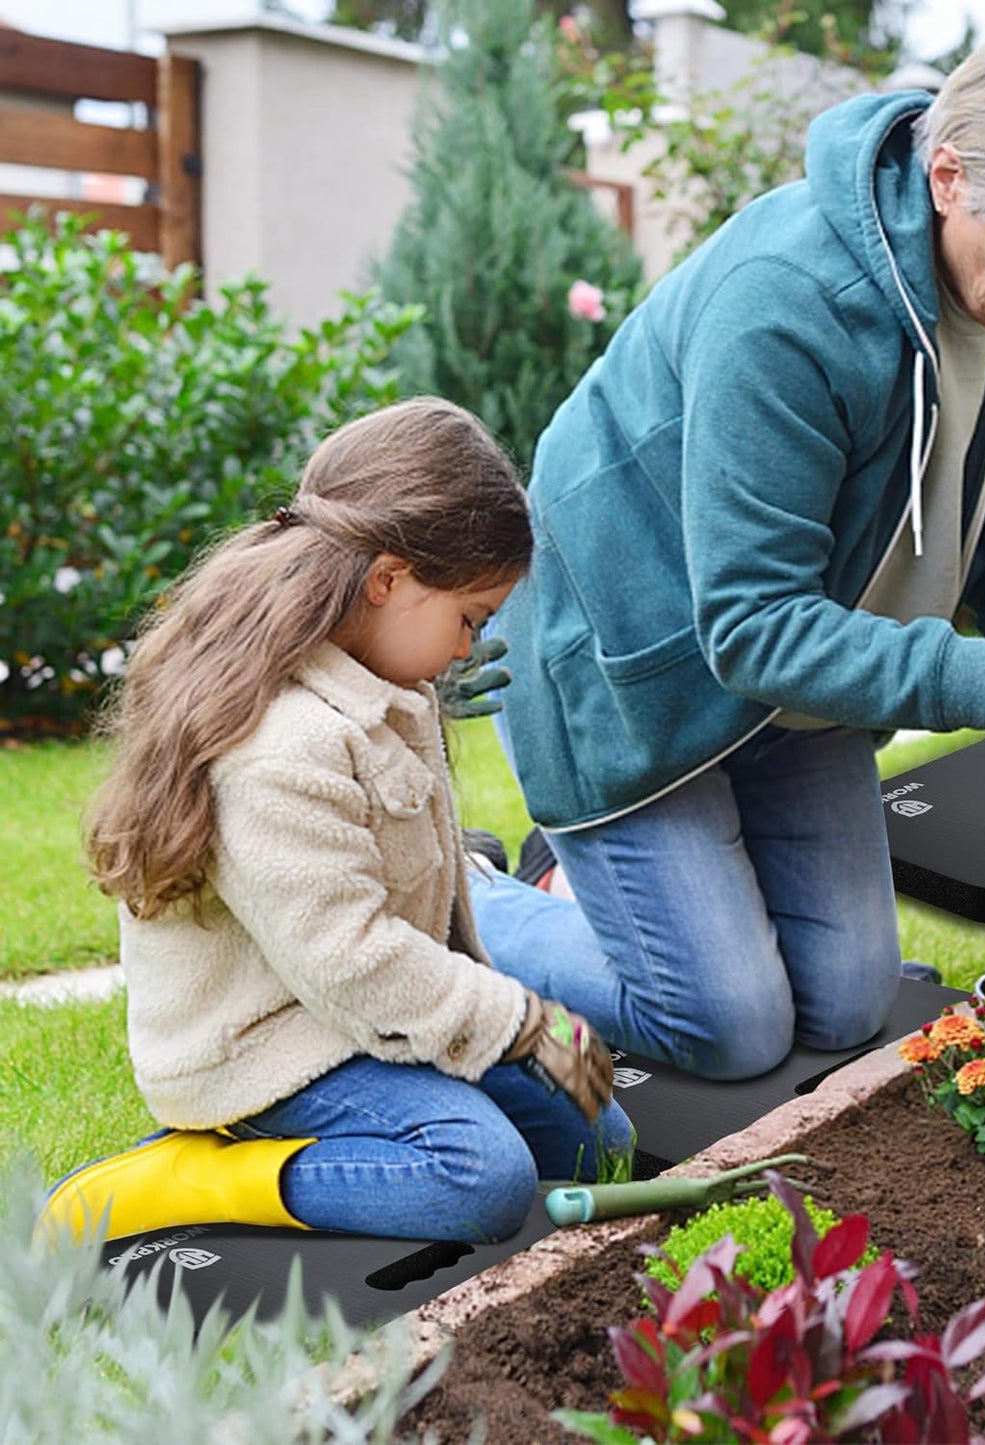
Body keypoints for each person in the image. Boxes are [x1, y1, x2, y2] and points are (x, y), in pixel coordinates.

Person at [465, 7, 985, 1087]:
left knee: (842, 1003)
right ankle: (478, 895)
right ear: (948, 177)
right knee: (726, 1021)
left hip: (808, 680)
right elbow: (748, 628)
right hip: (631, 676)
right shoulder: (789, 308)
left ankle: (637, 889)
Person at [39, 398, 626, 1248]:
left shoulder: (378, 676)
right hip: (264, 1052)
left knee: (596, 1143)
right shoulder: (277, 747)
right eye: (470, 619)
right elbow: (354, 962)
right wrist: (520, 1020)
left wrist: (505, 1021)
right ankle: (194, 1175)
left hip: (349, 1010)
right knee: (480, 1176)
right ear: (387, 579)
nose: (467, 647)